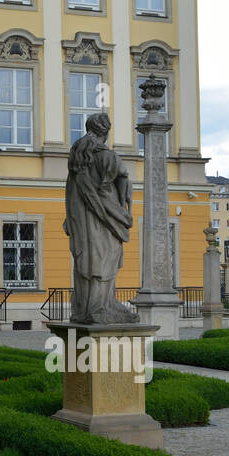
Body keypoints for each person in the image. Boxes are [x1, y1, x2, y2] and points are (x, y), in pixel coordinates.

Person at [64, 111, 139, 325]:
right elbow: (119, 184)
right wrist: (124, 213)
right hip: (104, 220)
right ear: (105, 132)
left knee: (87, 260)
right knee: (106, 258)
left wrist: (70, 216)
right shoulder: (108, 157)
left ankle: (84, 308)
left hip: (81, 220)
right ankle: (101, 307)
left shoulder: (77, 158)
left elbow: (70, 193)